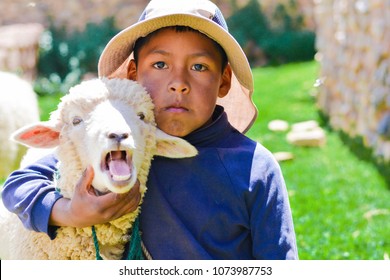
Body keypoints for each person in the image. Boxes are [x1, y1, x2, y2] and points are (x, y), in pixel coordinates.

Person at [2, 0, 298, 259]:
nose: (178, 82)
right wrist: (70, 213)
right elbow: (18, 184)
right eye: (160, 64)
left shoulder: (254, 168)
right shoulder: (126, 145)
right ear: (134, 75)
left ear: (223, 81)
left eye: (199, 67)